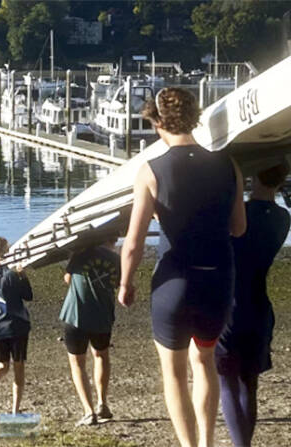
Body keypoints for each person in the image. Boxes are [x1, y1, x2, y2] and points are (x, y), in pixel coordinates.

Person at [118, 87, 246, 447]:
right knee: (204, 359)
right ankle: (207, 442)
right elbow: (239, 227)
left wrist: (125, 284)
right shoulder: (228, 165)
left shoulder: (151, 170)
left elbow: (133, 242)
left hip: (174, 283)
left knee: (174, 374)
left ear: (157, 122)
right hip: (218, 280)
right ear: (194, 117)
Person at [215, 161, 291, 447]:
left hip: (231, 304)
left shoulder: (238, 216)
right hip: (260, 307)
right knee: (250, 384)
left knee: (227, 382)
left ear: (254, 175)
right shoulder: (283, 218)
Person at [59, 236, 120, 427]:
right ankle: (102, 403)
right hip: (102, 316)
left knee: (78, 363)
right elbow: (116, 283)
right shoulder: (117, 260)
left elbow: (68, 278)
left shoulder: (81, 253)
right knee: (101, 356)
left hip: (76, 315)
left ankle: (89, 411)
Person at [0, 236, 33, 414]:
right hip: (16, 325)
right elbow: (28, 295)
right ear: (7, 251)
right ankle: (15, 411)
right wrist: (22, 275)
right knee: (18, 367)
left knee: (2, 366)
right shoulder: (11, 274)